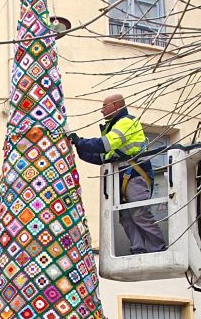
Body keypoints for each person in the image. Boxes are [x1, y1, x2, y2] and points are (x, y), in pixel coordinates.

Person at [69, 93, 167, 254]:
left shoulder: (126, 122)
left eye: (104, 106)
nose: (101, 111)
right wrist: (80, 147)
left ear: (115, 105)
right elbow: (102, 157)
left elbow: (104, 145)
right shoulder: (114, 126)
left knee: (139, 214)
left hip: (134, 174)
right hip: (121, 176)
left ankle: (159, 248)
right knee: (126, 217)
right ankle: (139, 249)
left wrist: (81, 141)